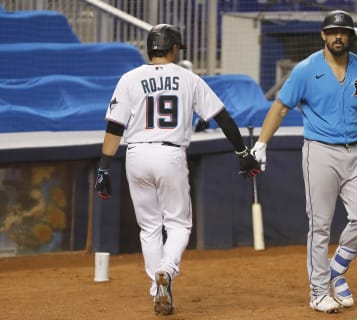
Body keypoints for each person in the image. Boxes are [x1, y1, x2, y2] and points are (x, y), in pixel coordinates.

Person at [94, 24, 260, 316]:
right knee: (179, 225)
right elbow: (222, 118)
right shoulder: (188, 79)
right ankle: (166, 271)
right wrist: (243, 152)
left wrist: (104, 169)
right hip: (169, 154)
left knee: (148, 227)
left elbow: (114, 127)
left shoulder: (129, 79)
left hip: (135, 155)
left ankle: (157, 288)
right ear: (172, 48)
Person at [251, 10, 357, 313]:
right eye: (333, 32)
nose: (338, 37)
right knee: (320, 226)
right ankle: (318, 291)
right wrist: (262, 143)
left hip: (356, 152)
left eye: (343, 32)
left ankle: (336, 269)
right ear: (323, 35)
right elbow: (279, 107)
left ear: (350, 37)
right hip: (320, 152)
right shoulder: (305, 70)